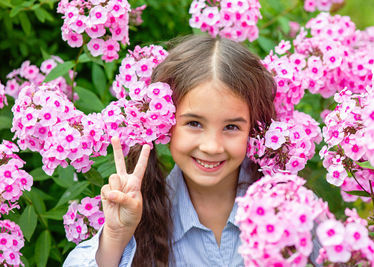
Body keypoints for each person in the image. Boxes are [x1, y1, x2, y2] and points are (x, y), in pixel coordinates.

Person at [64, 34, 278, 266]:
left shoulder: (284, 204)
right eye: (194, 123)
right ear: (164, 123)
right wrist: (116, 236)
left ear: (254, 129)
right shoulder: (142, 214)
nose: (212, 146)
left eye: (231, 127)